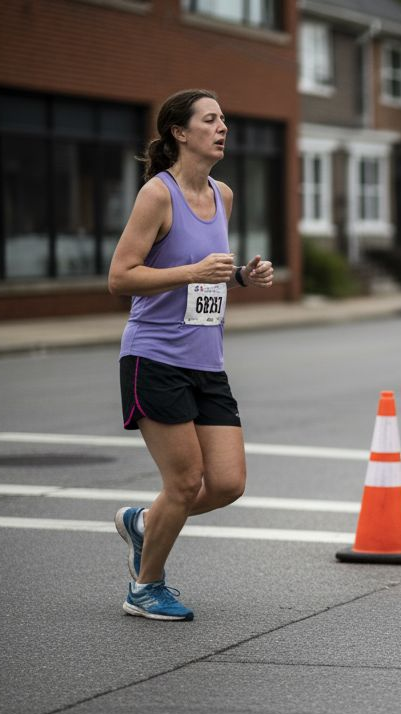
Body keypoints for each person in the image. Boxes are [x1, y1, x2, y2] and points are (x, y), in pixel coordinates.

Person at [107, 89, 274, 621]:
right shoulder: (157, 195)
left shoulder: (222, 195)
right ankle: (145, 586)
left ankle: (143, 522)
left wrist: (244, 277)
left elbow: (210, 276)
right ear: (181, 133)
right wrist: (192, 272)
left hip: (207, 361)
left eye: (224, 118)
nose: (222, 127)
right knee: (183, 483)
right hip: (154, 358)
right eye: (210, 119)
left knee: (226, 484)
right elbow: (121, 277)